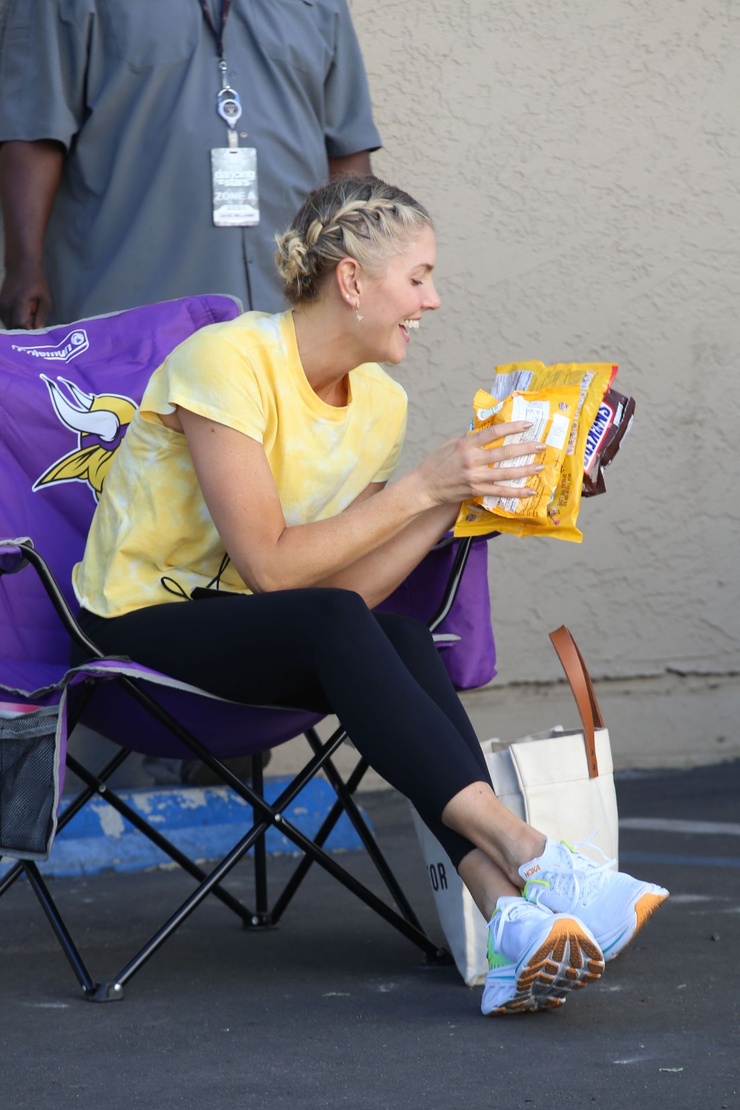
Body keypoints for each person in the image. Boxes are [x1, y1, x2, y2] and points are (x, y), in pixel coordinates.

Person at [70, 175, 668, 1016]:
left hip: (251, 628)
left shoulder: (381, 405)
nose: (433, 299)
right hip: (134, 625)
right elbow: (275, 570)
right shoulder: (228, 359)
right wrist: (423, 486)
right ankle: (532, 853)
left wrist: (456, 503)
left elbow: (344, 591)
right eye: (418, 277)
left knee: (400, 634)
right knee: (337, 619)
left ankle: (507, 916)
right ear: (351, 280)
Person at [0, 0, 379, 329]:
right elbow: (32, 132)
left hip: (291, 318)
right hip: (130, 317)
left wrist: (369, 268)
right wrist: (23, 264)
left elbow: (346, 151)